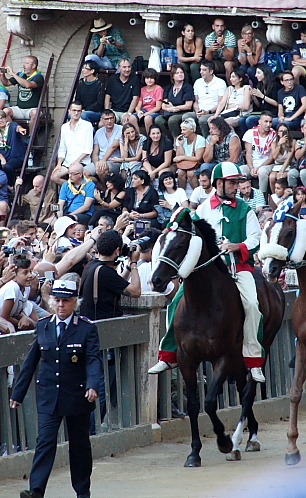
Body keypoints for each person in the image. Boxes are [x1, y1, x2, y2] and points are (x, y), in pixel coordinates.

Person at [148, 162, 267, 380]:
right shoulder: (202, 209)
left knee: (251, 304)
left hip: (237, 267)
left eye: (238, 183)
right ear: (218, 183)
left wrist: (236, 246)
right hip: (209, 270)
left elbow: (255, 239)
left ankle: (253, 360)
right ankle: (168, 355)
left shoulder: (245, 209)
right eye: (232, 183)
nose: (236, 187)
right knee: (175, 303)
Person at [10, 279, 103, 498]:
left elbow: (93, 360)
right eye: (57, 300)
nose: (61, 305)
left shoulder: (86, 328)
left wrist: (92, 386)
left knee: (79, 446)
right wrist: (18, 393)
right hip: (49, 395)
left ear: (74, 303)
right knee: (45, 442)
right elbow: (31, 361)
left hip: (77, 395)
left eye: (66, 301)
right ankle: (36, 490)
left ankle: (82, 492)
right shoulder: (44, 325)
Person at [51, 103, 94, 185]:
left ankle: (93, 183)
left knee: (76, 176)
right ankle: (73, 189)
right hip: (68, 162)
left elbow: (88, 149)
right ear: (69, 111)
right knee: (54, 177)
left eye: (79, 111)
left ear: (81, 112)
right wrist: (59, 164)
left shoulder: (87, 125)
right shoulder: (64, 127)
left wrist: (76, 162)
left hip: (82, 161)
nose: (76, 113)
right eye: (74, 110)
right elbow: (62, 148)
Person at [3, 55, 44, 125]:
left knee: (35, 113)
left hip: (32, 109)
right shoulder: (21, 75)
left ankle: (31, 136)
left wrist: (13, 74)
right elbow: (6, 83)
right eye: (24, 63)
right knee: (5, 111)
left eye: (27, 63)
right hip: (19, 109)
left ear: (33, 66)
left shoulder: (39, 77)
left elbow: (28, 85)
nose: (24, 65)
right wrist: (2, 75)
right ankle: (12, 132)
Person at [104, 57, 140, 123]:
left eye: (129, 67)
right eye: (124, 67)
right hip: (114, 111)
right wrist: (107, 111)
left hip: (127, 111)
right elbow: (107, 95)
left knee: (126, 125)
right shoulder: (112, 79)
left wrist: (129, 113)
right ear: (119, 68)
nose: (127, 69)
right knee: (102, 124)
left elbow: (135, 98)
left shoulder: (135, 79)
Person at [74, 61, 106, 125]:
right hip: (81, 110)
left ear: (92, 71)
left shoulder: (100, 83)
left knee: (84, 115)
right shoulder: (81, 82)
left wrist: (85, 110)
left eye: (86, 68)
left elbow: (99, 102)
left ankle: (91, 132)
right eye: (83, 68)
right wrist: (79, 109)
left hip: (95, 111)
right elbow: (77, 99)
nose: (83, 70)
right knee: (70, 115)